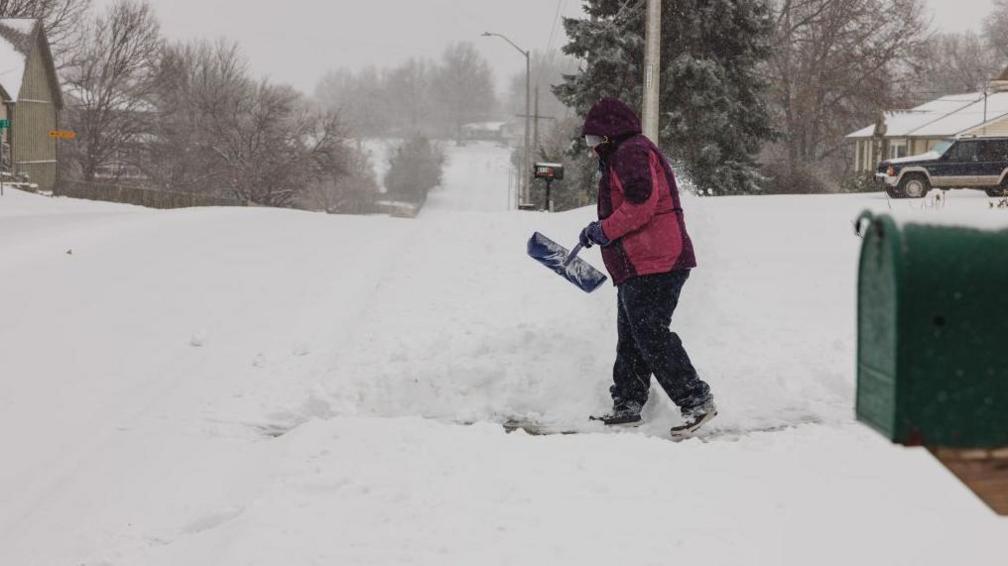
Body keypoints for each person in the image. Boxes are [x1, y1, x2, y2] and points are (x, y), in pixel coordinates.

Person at [578, 97, 716, 436]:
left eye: (595, 140)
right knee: (632, 336)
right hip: (640, 263)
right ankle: (627, 403)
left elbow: (641, 204)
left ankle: (695, 399)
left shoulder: (631, 152)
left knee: (650, 334)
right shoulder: (623, 154)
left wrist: (604, 230)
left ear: (610, 135)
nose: (592, 149)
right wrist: (598, 231)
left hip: (658, 260)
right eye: (588, 142)